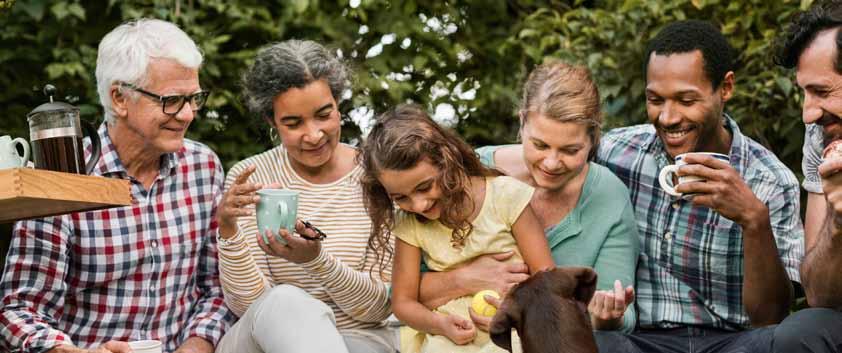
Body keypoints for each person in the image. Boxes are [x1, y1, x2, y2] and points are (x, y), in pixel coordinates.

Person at [0, 19, 233, 353]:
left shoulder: (203, 167)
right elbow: (19, 309)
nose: (187, 115)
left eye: (194, 99)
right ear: (120, 98)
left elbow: (215, 289)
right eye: (171, 101)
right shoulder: (62, 177)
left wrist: (195, 347)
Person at [593, 20, 803, 353]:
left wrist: (753, 220)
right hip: (638, 340)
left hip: (733, 341)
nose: (668, 117)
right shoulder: (616, 152)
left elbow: (769, 317)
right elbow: (548, 154)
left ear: (726, 87)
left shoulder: (771, 180)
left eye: (686, 100)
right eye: (655, 99)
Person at [415, 61, 640, 334]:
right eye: (540, 145)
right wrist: (465, 279)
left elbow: (622, 319)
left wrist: (606, 316)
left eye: (570, 150)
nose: (552, 163)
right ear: (522, 122)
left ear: (592, 139)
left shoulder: (609, 195)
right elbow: (402, 289)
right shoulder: (470, 173)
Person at [213, 40, 396, 353]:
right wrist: (228, 230)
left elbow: (380, 307)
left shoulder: (379, 176)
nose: (313, 135)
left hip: (358, 337)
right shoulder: (251, 176)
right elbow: (250, 306)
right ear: (272, 121)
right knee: (285, 300)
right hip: (261, 341)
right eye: (293, 123)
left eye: (323, 115)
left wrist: (316, 261)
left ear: (338, 105)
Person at [358, 104, 556, 353]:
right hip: (452, 336)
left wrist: (516, 312)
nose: (418, 205)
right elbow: (403, 302)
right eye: (400, 197)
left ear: (447, 160)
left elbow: (548, 277)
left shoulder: (505, 195)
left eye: (424, 187)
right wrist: (439, 324)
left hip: (515, 326)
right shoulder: (409, 223)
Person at [771, 2, 842, 352]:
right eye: (804, 91)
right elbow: (817, 293)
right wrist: (839, 221)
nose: (808, 112)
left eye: (822, 92)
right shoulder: (823, 136)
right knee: (803, 330)